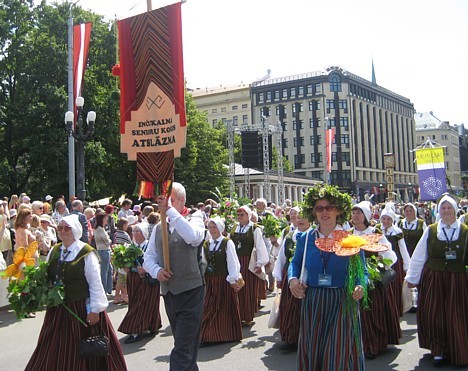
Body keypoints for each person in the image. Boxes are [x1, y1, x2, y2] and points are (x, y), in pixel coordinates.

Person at [25, 215, 127, 370]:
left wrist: (95, 310)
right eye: (60, 228)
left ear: (76, 230)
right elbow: (46, 276)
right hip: (57, 310)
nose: (63, 231)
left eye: (67, 228)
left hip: (80, 309)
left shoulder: (86, 252)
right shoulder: (55, 249)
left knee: (82, 351)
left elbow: (95, 283)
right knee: (53, 349)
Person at [288, 184, 366, 370]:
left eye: (329, 207)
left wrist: (360, 285)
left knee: (338, 350)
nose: (324, 212)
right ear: (313, 212)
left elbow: (361, 270)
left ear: (338, 210)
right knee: (313, 348)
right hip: (314, 299)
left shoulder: (350, 239)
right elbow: (295, 263)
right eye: (319, 208)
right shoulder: (306, 238)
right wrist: (292, 280)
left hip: (342, 299)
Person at [143, 182, 206, 371]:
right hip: (170, 292)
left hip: (191, 290)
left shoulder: (195, 218)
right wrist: (157, 271)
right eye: (161, 200)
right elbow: (148, 258)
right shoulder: (158, 228)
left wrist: (170, 211)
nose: (162, 204)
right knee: (185, 343)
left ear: (181, 200)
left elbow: (193, 237)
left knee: (182, 348)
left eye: (168, 199)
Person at [405, 195, 468, 367]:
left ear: (455, 210)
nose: (446, 211)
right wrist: (412, 277)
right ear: (439, 211)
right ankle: (438, 350)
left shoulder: (464, 230)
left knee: (456, 314)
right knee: (435, 313)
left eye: (449, 208)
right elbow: (419, 255)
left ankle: (458, 349)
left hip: (457, 278)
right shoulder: (432, 230)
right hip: (434, 277)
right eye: (443, 208)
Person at [350, 201, 399, 359]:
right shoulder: (349, 233)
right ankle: (358, 345)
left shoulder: (375, 232)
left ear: (366, 216)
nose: (355, 216)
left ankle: (374, 344)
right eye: (354, 212)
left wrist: (379, 260)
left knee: (372, 312)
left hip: (372, 279)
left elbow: (390, 254)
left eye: (359, 213)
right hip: (354, 278)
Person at [200, 217, 242, 345]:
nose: (212, 230)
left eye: (215, 227)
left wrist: (232, 278)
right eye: (210, 227)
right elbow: (203, 262)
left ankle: (226, 334)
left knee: (223, 308)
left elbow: (233, 262)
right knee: (209, 307)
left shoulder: (227, 242)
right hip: (210, 280)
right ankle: (208, 335)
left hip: (223, 280)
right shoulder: (206, 244)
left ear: (220, 228)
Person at [273, 211, 310, 351]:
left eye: (303, 217)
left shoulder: (314, 236)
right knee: (289, 307)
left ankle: (305, 338)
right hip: (291, 276)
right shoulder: (289, 237)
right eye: (298, 217)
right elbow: (281, 258)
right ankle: (290, 338)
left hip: (307, 278)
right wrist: (278, 277)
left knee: (304, 309)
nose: (300, 220)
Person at [119, 223, 161, 343]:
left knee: (144, 303)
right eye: (134, 231)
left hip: (147, 279)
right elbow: (123, 264)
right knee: (136, 302)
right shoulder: (129, 247)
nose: (136, 234)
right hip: (133, 278)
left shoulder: (150, 246)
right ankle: (153, 325)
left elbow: (158, 260)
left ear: (144, 233)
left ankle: (134, 330)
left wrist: (146, 269)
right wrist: (124, 267)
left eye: (138, 231)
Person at [230, 205, 269, 325]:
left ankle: (247, 316)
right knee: (237, 287)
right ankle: (237, 314)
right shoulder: (234, 228)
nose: (240, 217)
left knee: (248, 288)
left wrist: (260, 263)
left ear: (249, 216)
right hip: (236, 261)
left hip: (248, 262)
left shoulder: (254, 229)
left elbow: (260, 246)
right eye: (238, 215)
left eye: (242, 215)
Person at [380, 207, 411, 316]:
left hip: (395, 264)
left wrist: (407, 267)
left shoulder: (397, 232)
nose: (386, 222)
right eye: (384, 219)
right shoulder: (377, 230)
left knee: (395, 287)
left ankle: (395, 310)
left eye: (388, 219)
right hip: (381, 263)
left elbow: (403, 249)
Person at [94, 213, 113, 294]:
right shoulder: (100, 229)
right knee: (104, 271)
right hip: (103, 251)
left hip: (104, 250)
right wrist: (110, 241)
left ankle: (109, 289)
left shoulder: (100, 228)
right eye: (105, 218)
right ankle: (104, 290)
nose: (106, 219)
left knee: (109, 269)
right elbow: (106, 241)